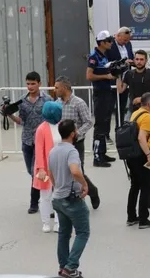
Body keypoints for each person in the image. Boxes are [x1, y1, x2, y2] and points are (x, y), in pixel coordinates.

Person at [48, 119, 91, 278]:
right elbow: (75, 171)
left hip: (58, 198)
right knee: (83, 232)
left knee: (64, 234)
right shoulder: (71, 151)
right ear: (73, 133)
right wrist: (84, 184)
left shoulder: (53, 151)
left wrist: (57, 186)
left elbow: (50, 173)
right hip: (71, 198)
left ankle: (63, 266)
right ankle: (71, 266)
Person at [9, 71, 52, 214]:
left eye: (33, 83)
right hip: (27, 140)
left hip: (42, 141)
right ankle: (44, 193)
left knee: (36, 171)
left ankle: (34, 203)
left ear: (39, 84)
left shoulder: (47, 100)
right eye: (28, 83)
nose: (30, 86)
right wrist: (9, 115)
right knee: (30, 170)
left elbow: (52, 118)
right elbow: (22, 120)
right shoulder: (22, 101)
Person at [54, 78, 99, 210]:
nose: (55, 90)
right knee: (62, 170)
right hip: (61, 143)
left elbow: (88, 121)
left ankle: (90, 191)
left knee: (77, 171)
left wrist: (77, 133)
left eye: (57, 87)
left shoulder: (78, 103)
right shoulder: (57, 103)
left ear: (65, 88)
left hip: (76, 143)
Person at [126, 92, 150, 229]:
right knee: (146, 186)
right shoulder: (146, 117)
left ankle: (131, 216)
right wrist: (149, 154)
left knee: (135, 185)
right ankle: (144, 219)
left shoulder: (136, 113)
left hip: (131, 155)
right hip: (141, 155)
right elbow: (141, 137)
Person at [86, 30, 117, 168]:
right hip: (100, 93)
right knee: (100, 125)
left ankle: (103, 152)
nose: (111, 43)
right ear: (102, 42)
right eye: (109, 41)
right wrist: (106, 77)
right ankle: (97, 156)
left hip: (107, 92)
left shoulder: (104, 56)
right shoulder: (94, 57)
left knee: (105, 124)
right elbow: (89, 76)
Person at [33, 100, 63, 233]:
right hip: (45, 167)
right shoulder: (41, 129)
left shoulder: (61, 125)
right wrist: (40, 168)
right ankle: (45, 222)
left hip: (60, 166)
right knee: (45, 196)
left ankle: (58, 222)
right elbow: (39, 150)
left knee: (59, 195)